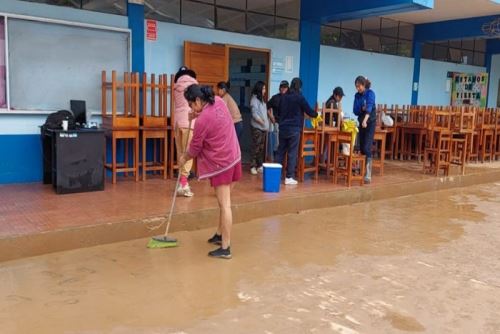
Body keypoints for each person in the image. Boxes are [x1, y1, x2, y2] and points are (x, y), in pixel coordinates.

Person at [179, 84, 241, 259]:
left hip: (222, 164)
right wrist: (196, 114)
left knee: (225, 204)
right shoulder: (219, 101)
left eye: (191, 104)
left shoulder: (202, 121)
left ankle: (226, 248)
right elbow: (211, 115)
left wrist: (184, 157)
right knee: (224, 202)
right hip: (234, 156)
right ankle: (220, 235)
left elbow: (195, 148)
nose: (191, 108)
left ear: (198, 100)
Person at [276, 77, 318, 185]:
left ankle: (276, 175)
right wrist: (317, 114)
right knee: (292, 152)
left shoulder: (284, 97)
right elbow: (310, 112)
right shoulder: (300, 98)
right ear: (299, 87)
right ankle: (289, 177)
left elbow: (278, 111)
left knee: (281, 151)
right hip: (294, 129)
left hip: (282, 128)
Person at [173, 66, 198, 197]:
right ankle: (184, 184)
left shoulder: (176, 87)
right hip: (190, 122)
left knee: (181, 152)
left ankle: (181, 183)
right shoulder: (194, 86)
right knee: (189, 153)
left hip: (177, 123)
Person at [353, 76, 376, 184]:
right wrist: (361, 108)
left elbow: (369, 107)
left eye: (359, 86)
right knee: (361, 147)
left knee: (367, 147)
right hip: (362, 122)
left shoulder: (370, 93)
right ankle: (362, 171)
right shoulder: (357, 96)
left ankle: (368, 173)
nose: (358, 88)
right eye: (356, 87)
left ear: (364, 85)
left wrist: (365, 120)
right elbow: (355, 110)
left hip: (370, 122)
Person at [250, 81, 269, 175]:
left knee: (261, 148)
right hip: (257, 128)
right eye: (264, 88)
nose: (265, 90)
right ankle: (252, 166)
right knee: (256, 147)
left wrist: (266, 124)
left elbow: (264, 113)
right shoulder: (254, 100)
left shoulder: (261, 100)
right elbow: (254, 115)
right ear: (259, 89)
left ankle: (259, 165)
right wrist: (262, 123)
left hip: (263, 128)